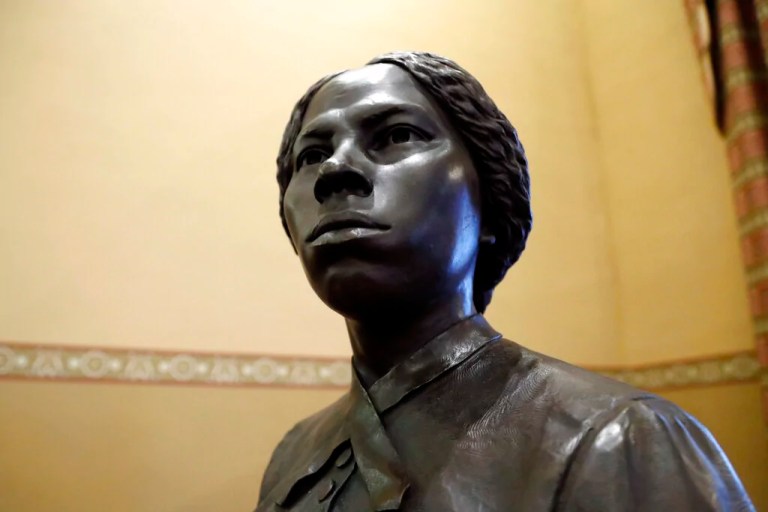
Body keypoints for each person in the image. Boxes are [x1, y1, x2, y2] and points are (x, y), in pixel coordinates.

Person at [255, 51, 754, 511]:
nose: (335, 170)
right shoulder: (294, 454)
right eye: (311, 155)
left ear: (490, 204)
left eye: (397, 135)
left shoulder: (622, 440)